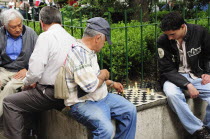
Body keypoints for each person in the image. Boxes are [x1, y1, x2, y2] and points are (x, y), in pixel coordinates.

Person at [2, 6, 76, 139]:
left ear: (42, 22)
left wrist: (26, 83)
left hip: (50, 93)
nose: (18, 29)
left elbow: (35, 72)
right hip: (68, 92)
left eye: (20, 25)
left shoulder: (44, 37)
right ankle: (29, 132)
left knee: (10, 103)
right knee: (24, 96)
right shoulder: (71, 38)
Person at [64, 17, 137, 139]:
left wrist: (111, 83)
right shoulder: (79, 54)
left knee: (129, 110)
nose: (104, 45)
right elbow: (90, 85)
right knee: (106, 130)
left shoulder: (89, 52)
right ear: (97, 38)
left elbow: (93, 78)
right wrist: (104, 74)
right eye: (104, 41)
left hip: (100, 97)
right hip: (82, 103)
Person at [157, 11, 210, 139]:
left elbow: (208, 55)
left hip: (196, 75)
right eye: (167, 35)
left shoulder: (200, 32)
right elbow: (166, 69)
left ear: (182, 27)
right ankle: (198, 130)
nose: (169, 38)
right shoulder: (163, 40)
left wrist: (208, 72)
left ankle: (208, 128)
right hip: (173, 77)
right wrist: (187, 84)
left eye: (172, 34)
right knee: (172, 94)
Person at [0, 9, 37, 117]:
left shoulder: (31, 34)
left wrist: (28, 69)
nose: (18, 29)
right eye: (13, 27)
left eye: (19, 25)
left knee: (10, 87)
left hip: (23, 71)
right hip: (4, 70)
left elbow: (39, 57)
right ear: (5, 26)